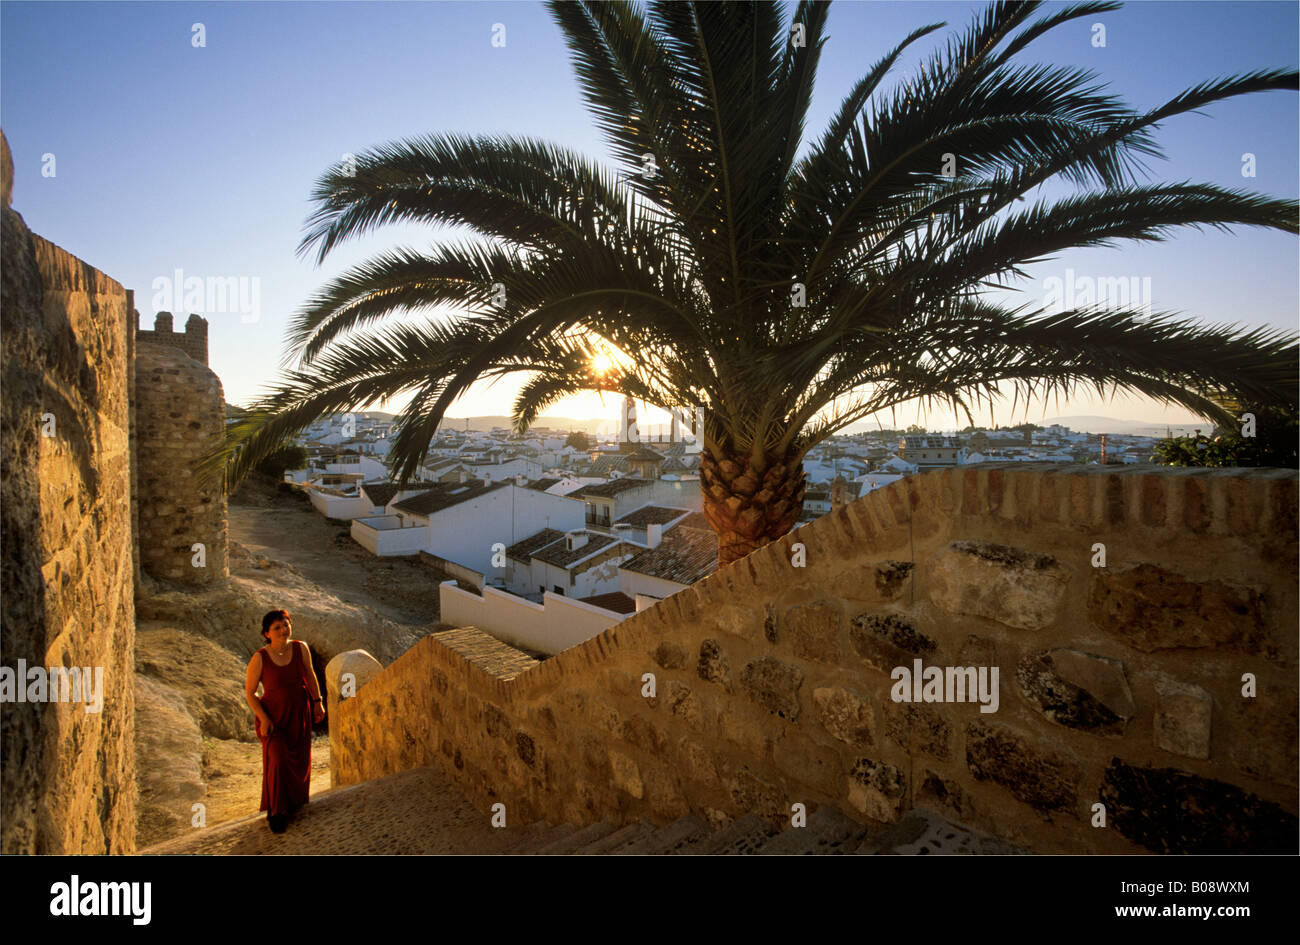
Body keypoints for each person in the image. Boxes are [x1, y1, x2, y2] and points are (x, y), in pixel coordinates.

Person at [244, 609, 325, 833]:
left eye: (286, 624)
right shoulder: (260, 657)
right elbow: (250, 692)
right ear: (266, 633)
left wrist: (318, 702)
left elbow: (309, 674)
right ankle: (276, 812)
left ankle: (292, 802)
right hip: (272, 718)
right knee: (278, 759)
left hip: (299, 713)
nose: (283, 630)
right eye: (277, 627)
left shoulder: (301, 648)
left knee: (297, 759)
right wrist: (263, 718)